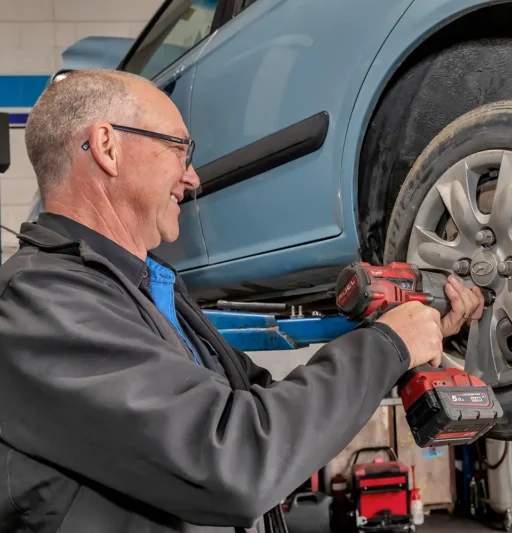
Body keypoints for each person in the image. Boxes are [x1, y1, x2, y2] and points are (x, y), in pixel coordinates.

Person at [0, 70, 484, 533]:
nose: (193, 179)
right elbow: (236, 459)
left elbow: (270, 411)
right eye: (180, 149)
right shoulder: (37, 302)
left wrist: (413, 336)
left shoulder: (147, 290)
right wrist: (387, 345)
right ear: (108, 147)